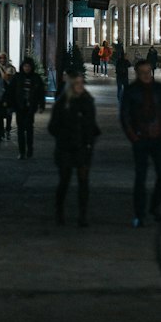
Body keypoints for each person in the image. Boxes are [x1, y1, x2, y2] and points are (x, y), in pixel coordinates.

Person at [120, 57, 161, 227]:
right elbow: (125, 115)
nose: (146, 75)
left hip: (158, 138)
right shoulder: (131, 90)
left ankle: (155, 207)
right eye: (142, 73)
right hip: (141, 138)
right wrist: (133, 136)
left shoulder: (158, 88)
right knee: (140, 178)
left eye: (148, 72)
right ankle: (140, 214)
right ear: (136, 73)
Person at [48, 73, 101, 226]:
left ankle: (82, 215)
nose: (80, 86)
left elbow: (91, 124)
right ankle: (59, 211)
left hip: (83, 149)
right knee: (64, 181)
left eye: (81, 83)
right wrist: (65, 135)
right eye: (76, 83)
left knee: (83, 182)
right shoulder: (62, 103)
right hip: (65, 149)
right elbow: (53, 127)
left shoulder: (87, 101)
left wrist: (90, 140)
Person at [13, 56, 46, 159]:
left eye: (28, 66)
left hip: (30, 107)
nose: (27, 68)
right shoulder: (18, 77)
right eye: (25, 66)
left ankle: (30, 149)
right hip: (20, 107)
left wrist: (41, 105)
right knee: (20, 130)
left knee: (29, 129)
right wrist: (10, 104)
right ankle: (22, 151)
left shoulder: (36, 78)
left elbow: (41, 92)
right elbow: (11, 91)